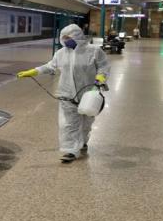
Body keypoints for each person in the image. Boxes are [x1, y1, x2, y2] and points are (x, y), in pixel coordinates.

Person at [17, 24, 110, 163]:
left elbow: (103, 66)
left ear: (77, 37)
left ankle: (83, 141)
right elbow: (50, 66)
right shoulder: (61, 53)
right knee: (68, 124)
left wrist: (101, 77)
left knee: (86, 122)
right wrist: (33, 72)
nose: (66, 41)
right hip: (66, 93)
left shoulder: (94, 51)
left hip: (88, 92)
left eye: (69, 38)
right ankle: (71, 150)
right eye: (64, 38)